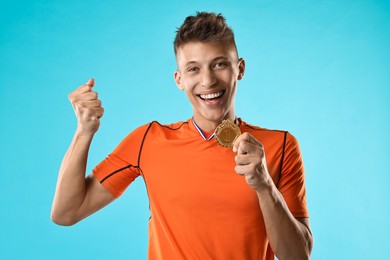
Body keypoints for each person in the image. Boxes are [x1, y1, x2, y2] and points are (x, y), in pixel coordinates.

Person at [51, 12, 313, 260]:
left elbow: (298, 256)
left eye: (219, 64)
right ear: (179, 79)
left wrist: (264, 185)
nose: (208, 80)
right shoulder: (148, 141)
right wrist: (84, 132)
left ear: (239, 69)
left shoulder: (281, 145)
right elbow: (67, 212)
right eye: (193, 69)